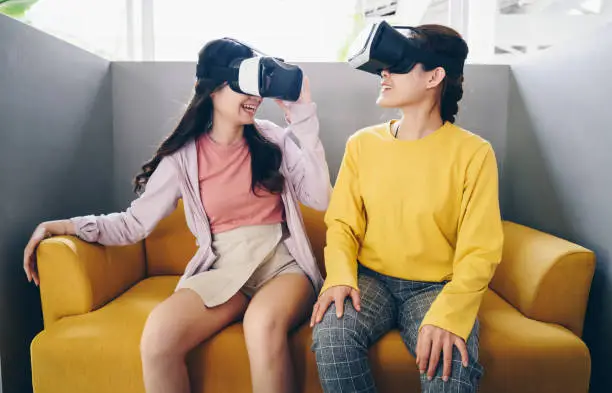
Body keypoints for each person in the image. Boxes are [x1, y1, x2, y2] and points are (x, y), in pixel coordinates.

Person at [23, 38, 331, 393]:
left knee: (262, 325)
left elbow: (320, 198)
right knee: (158, 338)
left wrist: (303, 113)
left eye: (257, 86)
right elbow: (133, 223)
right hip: (223, 268)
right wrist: (61, 226)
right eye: (243, 86)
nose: (255, 96)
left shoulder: (272, 139)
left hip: (281, 265)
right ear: (214, 88)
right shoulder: (183, 158)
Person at [311, 24, 503, 393]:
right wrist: (338, 277)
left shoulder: (474, 153)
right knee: (331, 335)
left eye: (399, 65)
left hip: (435, 288)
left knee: (452, 365)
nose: (384, 72)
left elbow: (481, 249)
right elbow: (342, 224)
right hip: (370, 280)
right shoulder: (362, 145)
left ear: (435, 76)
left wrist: (451, 314)